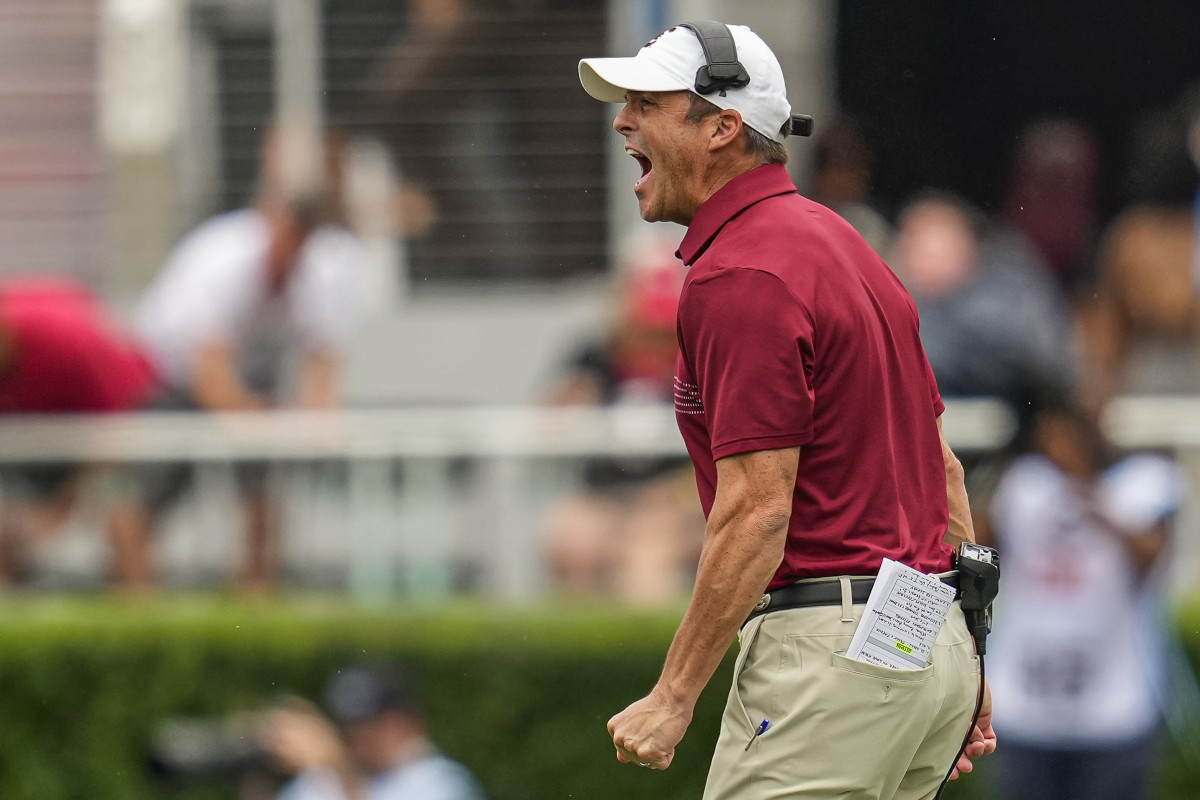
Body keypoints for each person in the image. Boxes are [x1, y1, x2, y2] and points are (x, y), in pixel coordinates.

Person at [578, 21, 995, 799]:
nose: (621, 119)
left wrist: (674, 695)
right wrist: (963, 651)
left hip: (831, 653)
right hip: (922, 634)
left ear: (722, 127)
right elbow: (942, 470)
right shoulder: (847, 247)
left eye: (646, 101)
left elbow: (759, 512)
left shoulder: (740, 268)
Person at [106, 127, 363, 590]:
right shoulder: (223, 259)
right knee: (146, 500)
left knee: (264, 499)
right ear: (271, 219)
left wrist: (319, 425)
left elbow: (322, 360)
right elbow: (209, 373)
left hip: (248, 384)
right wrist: (258, 422)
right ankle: (137, 608)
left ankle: (253, 603)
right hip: (169, 379)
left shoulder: (321, 268)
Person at [985, 388, 1180, 800]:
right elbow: (976, 544)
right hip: (1027, 708)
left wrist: (1084, 489)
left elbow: (1151, 555)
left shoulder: (1143, 486)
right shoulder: (1023, 486)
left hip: (1112, 713)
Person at [541, 231, 705, 604]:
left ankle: (644, 658)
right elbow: (549, 417)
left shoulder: (697, 362)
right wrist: (568, 403)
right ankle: (577, 654)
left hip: (675, 504)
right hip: (602, 495)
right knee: (571, 539)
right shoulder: (596, 355)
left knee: (647, 559)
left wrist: (670, 498)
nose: (653, 340)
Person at [0, 277, 159, 584]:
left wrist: (61, 506)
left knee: (121, 514)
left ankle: (139, 610)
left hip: (121, 421)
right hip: (40, 430)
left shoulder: (68, 341)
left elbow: (118, 430)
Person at [887, 190, 1074, 403]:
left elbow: (1043, 359)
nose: (916, 258)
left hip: (1014, 421)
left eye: (931, 249)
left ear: (967, 247)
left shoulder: (1011, 288)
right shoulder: (893, 301)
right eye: (910, 245)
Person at [258, 665, 487, 800]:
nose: (356, 736)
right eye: (348, 724)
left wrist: (338, 769)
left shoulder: (440, 782)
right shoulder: (316, 780)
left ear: (404, 722)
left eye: (368, 724)